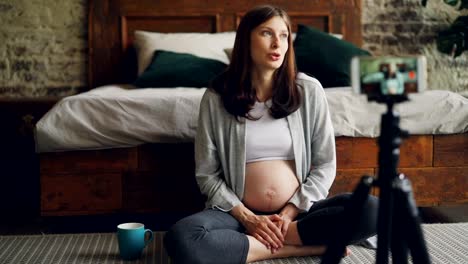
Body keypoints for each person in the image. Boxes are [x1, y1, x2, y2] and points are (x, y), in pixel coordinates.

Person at [164, 5, 378, 264]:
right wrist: (250, 219)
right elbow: (207, 174)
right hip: (236, 217)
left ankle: (270, 241)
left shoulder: (308, 90)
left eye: (284, 35)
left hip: (300, 214)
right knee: (182, 238)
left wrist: (287, 216)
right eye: (267, 33)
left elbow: (325, 165)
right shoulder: (216, 97)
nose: (278, 43)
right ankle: (306, 247)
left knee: (373, 210)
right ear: (246, 40)